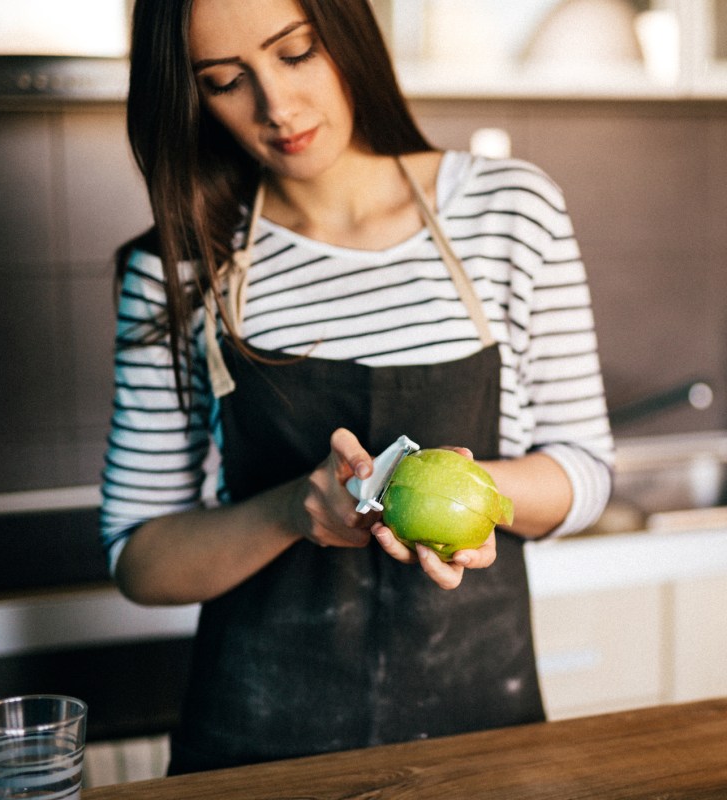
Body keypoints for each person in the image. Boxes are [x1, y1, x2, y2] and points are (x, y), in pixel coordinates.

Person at [100, 0, 615, 776]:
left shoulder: (509, 211)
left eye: (297, 52)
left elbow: (586, 469)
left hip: (479, 742)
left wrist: (475, 495)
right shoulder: (180, 266)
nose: (277, 107)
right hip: (256, 754)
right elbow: (139, 556)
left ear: (347, 35)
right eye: (226, 80)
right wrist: (294, 510)